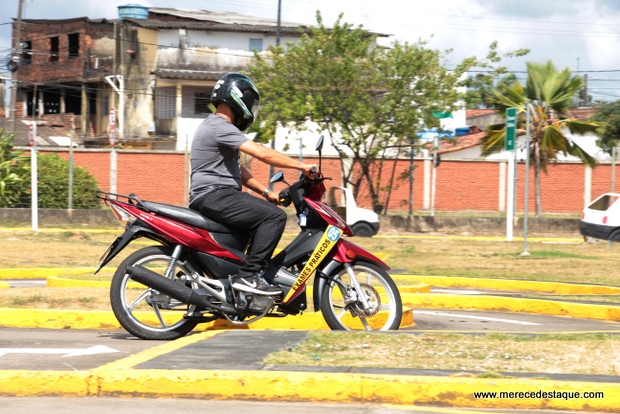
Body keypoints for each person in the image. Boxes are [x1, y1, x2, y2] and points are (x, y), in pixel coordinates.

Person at [189, 73, 317, 296]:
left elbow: (237, 170)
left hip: (214, 195)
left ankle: (240, 279)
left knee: (259, 219)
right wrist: (302, 166)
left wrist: (267, 192)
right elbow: (262, 153)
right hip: (214, 195)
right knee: (273, 217)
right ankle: (249, 277)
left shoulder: (216, 127)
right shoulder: (220, 125)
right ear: (239, 99)